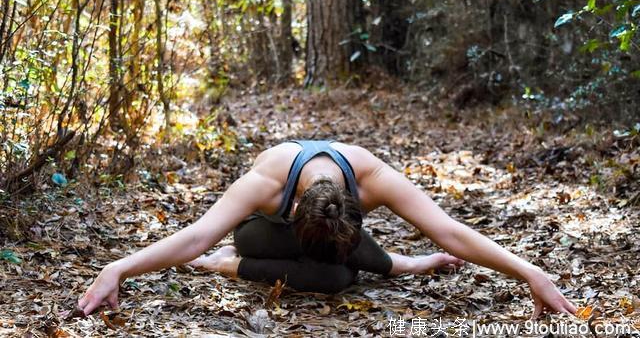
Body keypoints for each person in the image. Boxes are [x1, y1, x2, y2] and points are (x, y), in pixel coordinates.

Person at [78, 140, 577, 318]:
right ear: (294, 205)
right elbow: (196, 237)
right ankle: (232, 268)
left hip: (335, 236)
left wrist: (528, 271)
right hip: (259, 238)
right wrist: (118, 267)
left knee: (336, 277)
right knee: (331, 275)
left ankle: (398, 264)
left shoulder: (372, 177)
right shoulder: (270, 183)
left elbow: (447, 230)